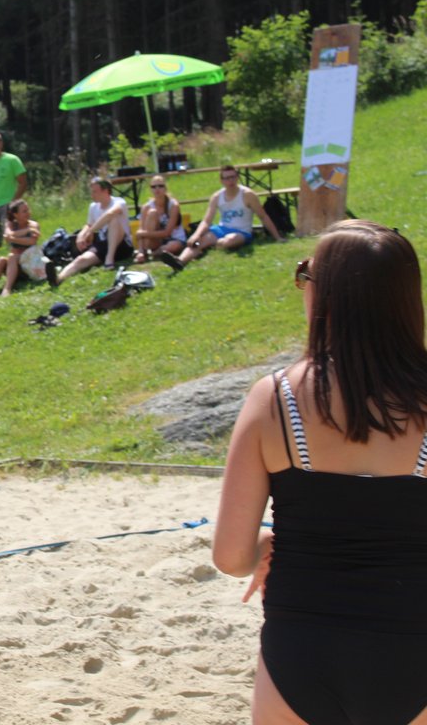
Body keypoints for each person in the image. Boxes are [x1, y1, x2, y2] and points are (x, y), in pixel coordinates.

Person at [213, 220, 427, 725]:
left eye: (306, 274)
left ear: (329, 296)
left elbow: (230, 557)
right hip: (413, 644)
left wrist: (271, 545)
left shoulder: (275, 398)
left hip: (301, 649)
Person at [160, 164, 286, 272]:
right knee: (197, 242)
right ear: (222, 180)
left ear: (237, 177)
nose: (230, 181)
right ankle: (180, 261)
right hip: (221, 229)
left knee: (228, 241)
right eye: (226, 178)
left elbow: (263, 216)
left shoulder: (247, 194)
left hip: (242, 232)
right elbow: (207, 220)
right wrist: (196, 235)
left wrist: (277, 237)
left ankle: (207, 247)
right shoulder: (217, 196)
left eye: (232, 177)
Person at [45, 177, 132, 287]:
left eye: (95, 191)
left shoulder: (119, 202)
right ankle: (58, 278)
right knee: (81, 259)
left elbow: (109, 214)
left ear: (105, 191)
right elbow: (89, 224)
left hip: (123, 245)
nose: (92, 195)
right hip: (103, 243)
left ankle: (109, 259)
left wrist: (91, 231)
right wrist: (81, 235)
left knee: (114, 220)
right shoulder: (93, 207)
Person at [0, 199, 40, 300]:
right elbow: (8, 234)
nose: (28, 213)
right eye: (24, 211)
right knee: (2, 260)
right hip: (15, 265)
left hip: (29, 264)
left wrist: (13, 238)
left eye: (28, 210)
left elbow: (31, 242)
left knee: (12, 257)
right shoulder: (10, 224)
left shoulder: (33, 225)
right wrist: (27, 231)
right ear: (15, 215)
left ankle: (7, 289)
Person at [133, 175, 186, 263]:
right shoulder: (146, 207)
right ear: (151, 189)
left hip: (175, 239)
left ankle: (154, 254)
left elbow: (167, 233)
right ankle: (146, 252)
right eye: (153, 187)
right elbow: (141, 230)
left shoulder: (173, 205)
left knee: (173, 246)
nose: (157, 189)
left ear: (165, 188)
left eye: (160, 186)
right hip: (156, 240)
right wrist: (140, 251)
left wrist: (144, 234)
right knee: (152, 213)